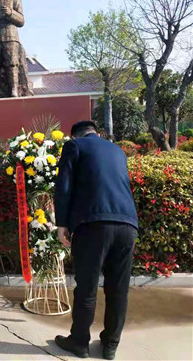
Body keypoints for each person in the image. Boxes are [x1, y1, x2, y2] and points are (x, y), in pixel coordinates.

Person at [54, 121, 138, 360]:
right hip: (127, 224)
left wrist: (62, 224)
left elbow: (64, 186)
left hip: (92, 224)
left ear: (75, 136)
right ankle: (111, 345)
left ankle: (79, 342)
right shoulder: (117, 150)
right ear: (97, 133)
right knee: (118, 289)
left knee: (87, 287)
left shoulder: (74, 146)